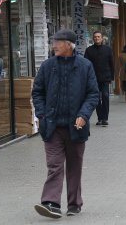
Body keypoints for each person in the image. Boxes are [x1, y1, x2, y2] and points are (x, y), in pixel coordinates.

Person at [31, 29, 100, 219]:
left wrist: (84, 115)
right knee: (55, 165)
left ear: (69, 45)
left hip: (76, 127)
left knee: (74, 167)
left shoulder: (85, 66)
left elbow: (93, 94)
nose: (53, 45)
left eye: (57, 42)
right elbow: (37, 92)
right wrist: (42, 114)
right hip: (52, 127)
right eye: (53, 41)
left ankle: (74, 203)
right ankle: (51, 202)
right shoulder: (47, 66)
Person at [83, 31, 114, 126]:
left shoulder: (108, 50)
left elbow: (112, 64)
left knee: (105, 96)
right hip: (93, 78)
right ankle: (100, 118)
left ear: (102, 38)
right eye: (95, 37)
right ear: (93, 38)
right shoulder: (89, 50)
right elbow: (86, 65)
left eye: (98, 37)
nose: (97, 38)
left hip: (105, 78)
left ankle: (105, 118)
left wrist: (112, 77)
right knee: (96, 99)